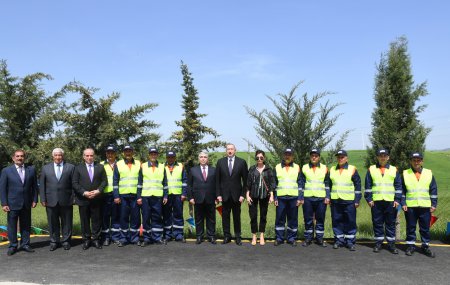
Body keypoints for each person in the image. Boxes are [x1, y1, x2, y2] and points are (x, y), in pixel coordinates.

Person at [0, 149, 38, 256]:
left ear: (24, 158)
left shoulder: (31, 170)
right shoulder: (6, 171)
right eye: (17, 156)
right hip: (12, 203)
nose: (19, 158)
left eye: (21, 156)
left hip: (27, 202)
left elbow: (34, 187)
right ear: (13, 158)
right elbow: (2, 189)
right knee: (12, 225)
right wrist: (4, 203)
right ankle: (13, 245)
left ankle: (25, 244)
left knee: (26, 225)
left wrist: (35, 199)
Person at [364, 148, 402, 254]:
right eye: (381, 156)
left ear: (388, 157)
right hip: (376, 202)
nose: (383, 157)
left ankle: (391, 244)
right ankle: (378, 243)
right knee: (377, 223)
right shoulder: (371, 169)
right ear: (377, 157)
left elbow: (398, 186)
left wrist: (397, 200)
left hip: (390, 201)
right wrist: (369, 199)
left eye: (385, 155)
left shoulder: (394, 169)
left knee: (390, 223)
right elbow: (368, 186)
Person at [402, 152, 438, 258]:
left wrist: (434, 204)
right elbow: (402, 190)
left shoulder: (428, 173)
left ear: (422, 161)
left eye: (418, 160)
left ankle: (425, 246)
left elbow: (433, 190)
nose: (416, 162)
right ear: (411, 161)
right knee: (411, 227)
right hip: (410, 206)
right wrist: (403, 203)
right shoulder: (405, 173)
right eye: (414, 160)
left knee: (425, 228)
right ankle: (410, 246)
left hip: (425, 206)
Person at [39, 148, 75, 251]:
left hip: (67, 199)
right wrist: (43, 198)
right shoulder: (46, 168)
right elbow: (42, 185)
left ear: (63, 156)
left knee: (67, 222)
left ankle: (66, 241)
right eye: (56, 155)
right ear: (52, 156)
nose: (58, 157)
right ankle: (54, 241)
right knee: (52, 222)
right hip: (50, 200)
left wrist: (74, 198)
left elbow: (74, 184)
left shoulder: (71, 167)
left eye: (60, 155)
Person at [72, 148, 108, 250]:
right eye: (87, 156)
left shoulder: (100, 167)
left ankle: (96, 239)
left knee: (96, 220)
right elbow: (75, 183)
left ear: (94, 156)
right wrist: (84, 192)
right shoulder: (78, 168)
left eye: (91, 155)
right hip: (83, 199)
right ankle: (86, 240)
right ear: (83, 156)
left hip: (97, 199)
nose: (89, 157)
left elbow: (104, 182)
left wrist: (98, 191)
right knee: (84, 221)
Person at [216, 143, 248, 245]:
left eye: (231, 149)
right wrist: (218, 195)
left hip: (237, 196)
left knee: (236, 216)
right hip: (224, 195)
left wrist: (243, 195)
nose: (230, 151)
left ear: (235, 150)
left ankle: (238, 236)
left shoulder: (241, 162)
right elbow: (217, 181)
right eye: (228, 149)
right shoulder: (220, 162)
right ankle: (227, 236)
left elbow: (246, 181)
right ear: (226, 151)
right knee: (225, 217)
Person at [329, 150, 361, 251]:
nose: (340, 159)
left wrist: (357, 200)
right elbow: (329, 185)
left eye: (342, 157)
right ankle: (339, 241)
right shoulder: (332, 169)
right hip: (335, 200)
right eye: (338, 157)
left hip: (349, 200)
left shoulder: (352, 169)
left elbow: (358, 185)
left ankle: (350, 242)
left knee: (350, 221)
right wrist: (329, 197)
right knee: (336, 221)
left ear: (346, 158)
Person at [137, 146, 168, 246]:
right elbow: (139, 183)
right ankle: (146, 238)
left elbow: (165, 183)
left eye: (155, 154)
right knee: (146, 217)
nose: (153, 155)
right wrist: (139, 196)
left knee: (157, 217)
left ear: (157, 155)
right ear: (149, 155)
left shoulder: (162, 166)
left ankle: (157, 237)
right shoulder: (143, 166)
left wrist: (165, 196)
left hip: (158, 196)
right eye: (151, 154)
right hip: (145, 196)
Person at [299, 148, 330, 247]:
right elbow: (301, 183)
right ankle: (308, 238)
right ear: (310, 157)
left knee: (320, 219)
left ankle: (319, 239)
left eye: (316, 156)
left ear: (319, 157)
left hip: (321, 198)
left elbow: (327, 183)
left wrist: (328, 196)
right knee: (308, 219)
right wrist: (301, 197)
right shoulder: (304, 168)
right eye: (312, 155)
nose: (314, 157)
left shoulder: (324, 168)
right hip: (307, 197)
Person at [113, 145, 141, 247]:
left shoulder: (138, 164)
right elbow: (115, 181)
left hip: (135, 196)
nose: (128, 153)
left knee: (135, 218)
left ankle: (135, 238)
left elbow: (140, 181)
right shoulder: (118, 164)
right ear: (123, 153)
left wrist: (139, 196)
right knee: (123, 218)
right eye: (126, 151)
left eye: (130, 151)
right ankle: (123, 238)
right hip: (123, 196)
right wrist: (116, 196)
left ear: (133, 152)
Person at [273, 147, 302, 246]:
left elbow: (300, 183)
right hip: (281, 198)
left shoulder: (297, 167)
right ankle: (279, 238)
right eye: (286, 154)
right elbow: (275, 184)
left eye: (289, 154)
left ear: (292, 156)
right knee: (279, 218)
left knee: (292, 219)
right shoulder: (277, 167)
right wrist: (275, 197)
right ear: (283, 155)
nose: (287, 156)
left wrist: (300, 198)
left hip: (293, 197)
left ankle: (291, 238)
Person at [188, 150, 217, 244]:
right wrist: (191, 197)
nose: (203, 159)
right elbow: (189, 185)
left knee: (211, 218)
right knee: (199, 218)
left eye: (205, 157)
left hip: (211, 198)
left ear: (207, 159)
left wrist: (217, 197)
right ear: (198, 159)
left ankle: (211, 236)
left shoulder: (213, 170)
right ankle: (199, 236)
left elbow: (217, 185)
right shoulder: (193, 170)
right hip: (197, 198)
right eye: (201, 157)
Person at [246, 150, 275, 246]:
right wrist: (247, 195)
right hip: (253, 195)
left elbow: (271, 184)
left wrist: (271, 196)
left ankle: (262, 235)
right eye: (257, 158)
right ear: (255, 158)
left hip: (264, 195)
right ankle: (254, 235)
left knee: (263, 216)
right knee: (253, 216)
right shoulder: (252, 169)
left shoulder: (268, 170)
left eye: (261, 157)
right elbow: (248, 183)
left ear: (264, 158)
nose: (259, 159)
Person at [162, 150, 187, 243]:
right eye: (169, 157)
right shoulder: (162, 166)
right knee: (166, 215)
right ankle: (167, 235)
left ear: (175, 158)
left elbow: (184, 181)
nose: (170, 159)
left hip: (178, 195)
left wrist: (184, 193)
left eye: (172, 157)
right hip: (166, 195)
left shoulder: (181, 166)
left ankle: (179, 235)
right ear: (166, 158)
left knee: (178, 215)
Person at [100, 145, 120, 246]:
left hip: (117, 195)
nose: (110, 154)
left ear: (115, 154)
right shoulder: (100, 164)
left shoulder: (120, 164)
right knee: (105, 217)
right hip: (105, 195)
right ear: (106, 154)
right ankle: (106, 237)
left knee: (116, 216)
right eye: (108, 153)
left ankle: (115, 237)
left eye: (112, 152)